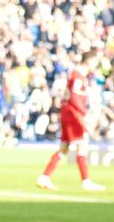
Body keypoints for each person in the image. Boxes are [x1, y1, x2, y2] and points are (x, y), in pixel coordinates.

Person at [36, 50, 106, 192]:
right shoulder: (78, 76)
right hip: (73, 115)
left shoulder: (77, 75)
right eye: (95, 63)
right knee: (82, 146)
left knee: (64, 148)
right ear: (89, 61)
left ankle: (44, 177)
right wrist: (83, 115)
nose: (95, 66)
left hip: (68, 113)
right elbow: (75, 98)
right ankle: (86, 181)